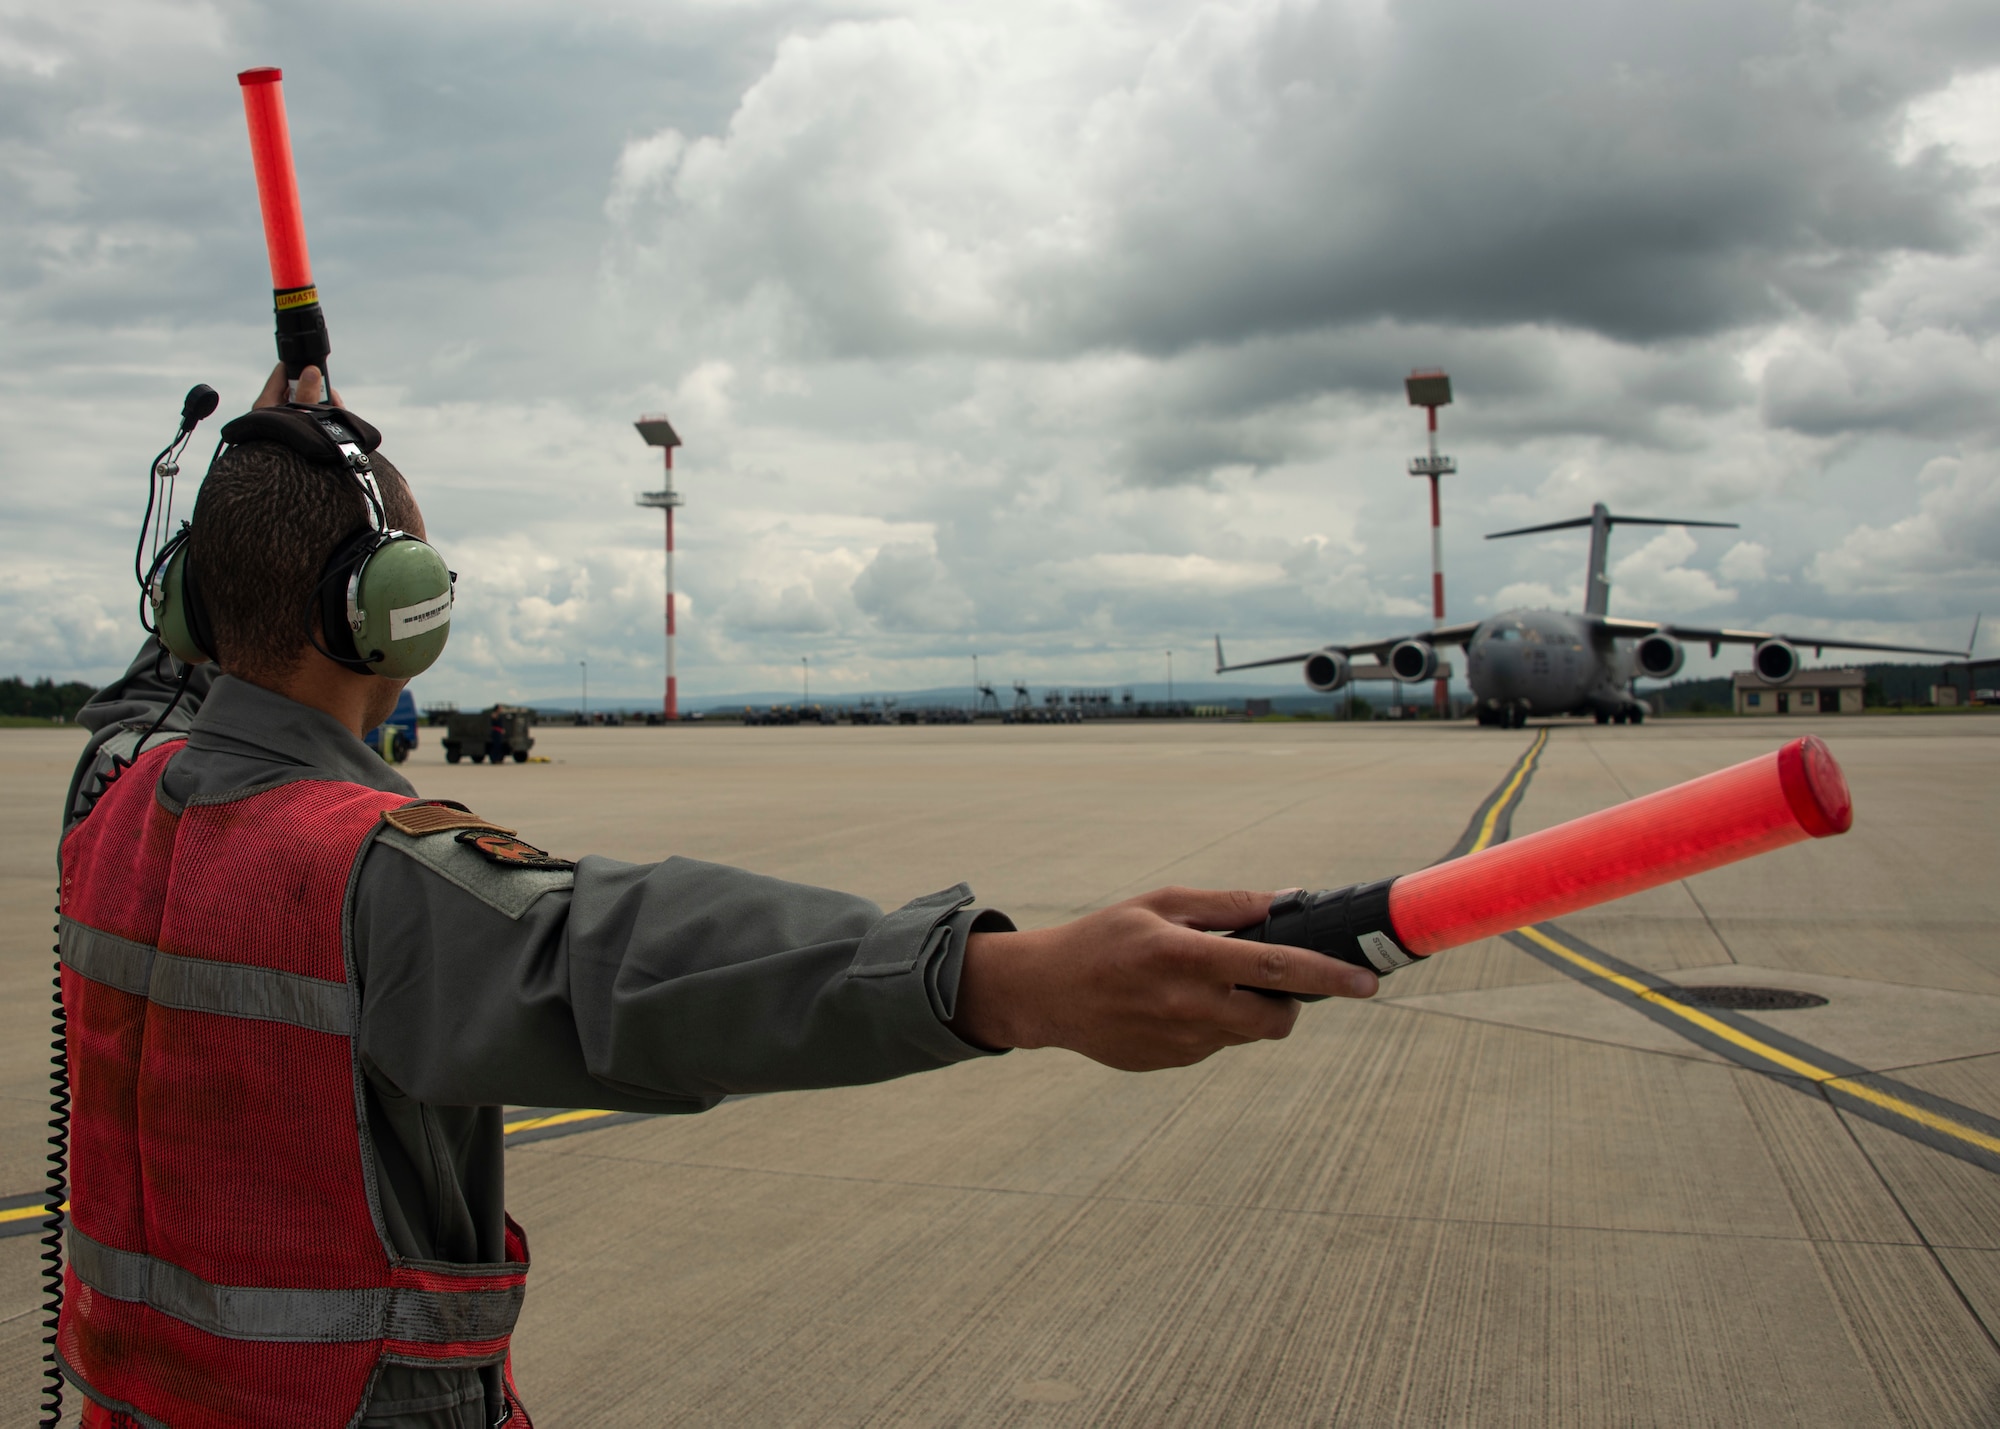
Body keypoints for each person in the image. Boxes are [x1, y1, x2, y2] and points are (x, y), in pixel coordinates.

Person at [54, 365, 1378, 1428]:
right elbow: (625, 956)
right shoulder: (361, 872)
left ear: (183, 610)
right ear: (397, 615)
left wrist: (252, 497)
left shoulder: (112, 800)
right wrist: (1015, 977)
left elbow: (163, 684)